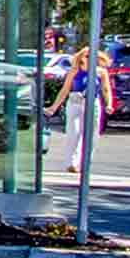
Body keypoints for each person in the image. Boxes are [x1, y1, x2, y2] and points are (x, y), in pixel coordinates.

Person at [46, 44, 114, 174]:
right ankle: (72, 163)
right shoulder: (75, 70)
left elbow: (106, 89)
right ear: (81, 57)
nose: (89, 58)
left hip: (92, 103)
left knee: (92, 134)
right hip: (75, 102)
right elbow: (65, 90)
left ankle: (85, 163)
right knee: (74, 132)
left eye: (92, 56)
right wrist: (54, 107)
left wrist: (109, 104)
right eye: (86, 56)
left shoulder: (101, 72)